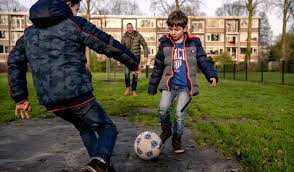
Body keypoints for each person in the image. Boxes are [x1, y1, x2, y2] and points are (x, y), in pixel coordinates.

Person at [7, 0, 139, 171]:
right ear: (68, 4)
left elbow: (14, 62)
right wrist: (133, 62)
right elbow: (106, 44)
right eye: (76, 9)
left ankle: (99, 165)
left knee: (84, 127)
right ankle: (99, 163)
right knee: (107, 127)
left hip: (50, 100)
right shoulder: (74, 23)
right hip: (77, 94)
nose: (76, 13)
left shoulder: (28, 33)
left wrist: (20, 98)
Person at [148, 10, 218, 154]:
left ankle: (177, 138)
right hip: (169, 84)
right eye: (170, 28)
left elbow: (203, 60)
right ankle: (166, 131)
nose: (173, 32)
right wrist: (153, 85)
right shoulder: (164, 43)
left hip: (186, 86)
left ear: (185, 28)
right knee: (162, 108)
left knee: (179, 113)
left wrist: (211, 74)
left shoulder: (194, 43)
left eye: (177, 29)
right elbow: (158, 66)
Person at [121, 23, 148, 96]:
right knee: (126, 73)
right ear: (126, 28)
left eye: (131, 27)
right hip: (127, 58)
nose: (129, 29)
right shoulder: (124, 37)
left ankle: (133, 90)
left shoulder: (138, 35)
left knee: (135, 75)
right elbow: (121, 49)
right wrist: (119, 58)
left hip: (136, 58)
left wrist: (145, 56)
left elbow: (145, 45)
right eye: (128, 28)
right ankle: (128, 87)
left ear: (133, 28)